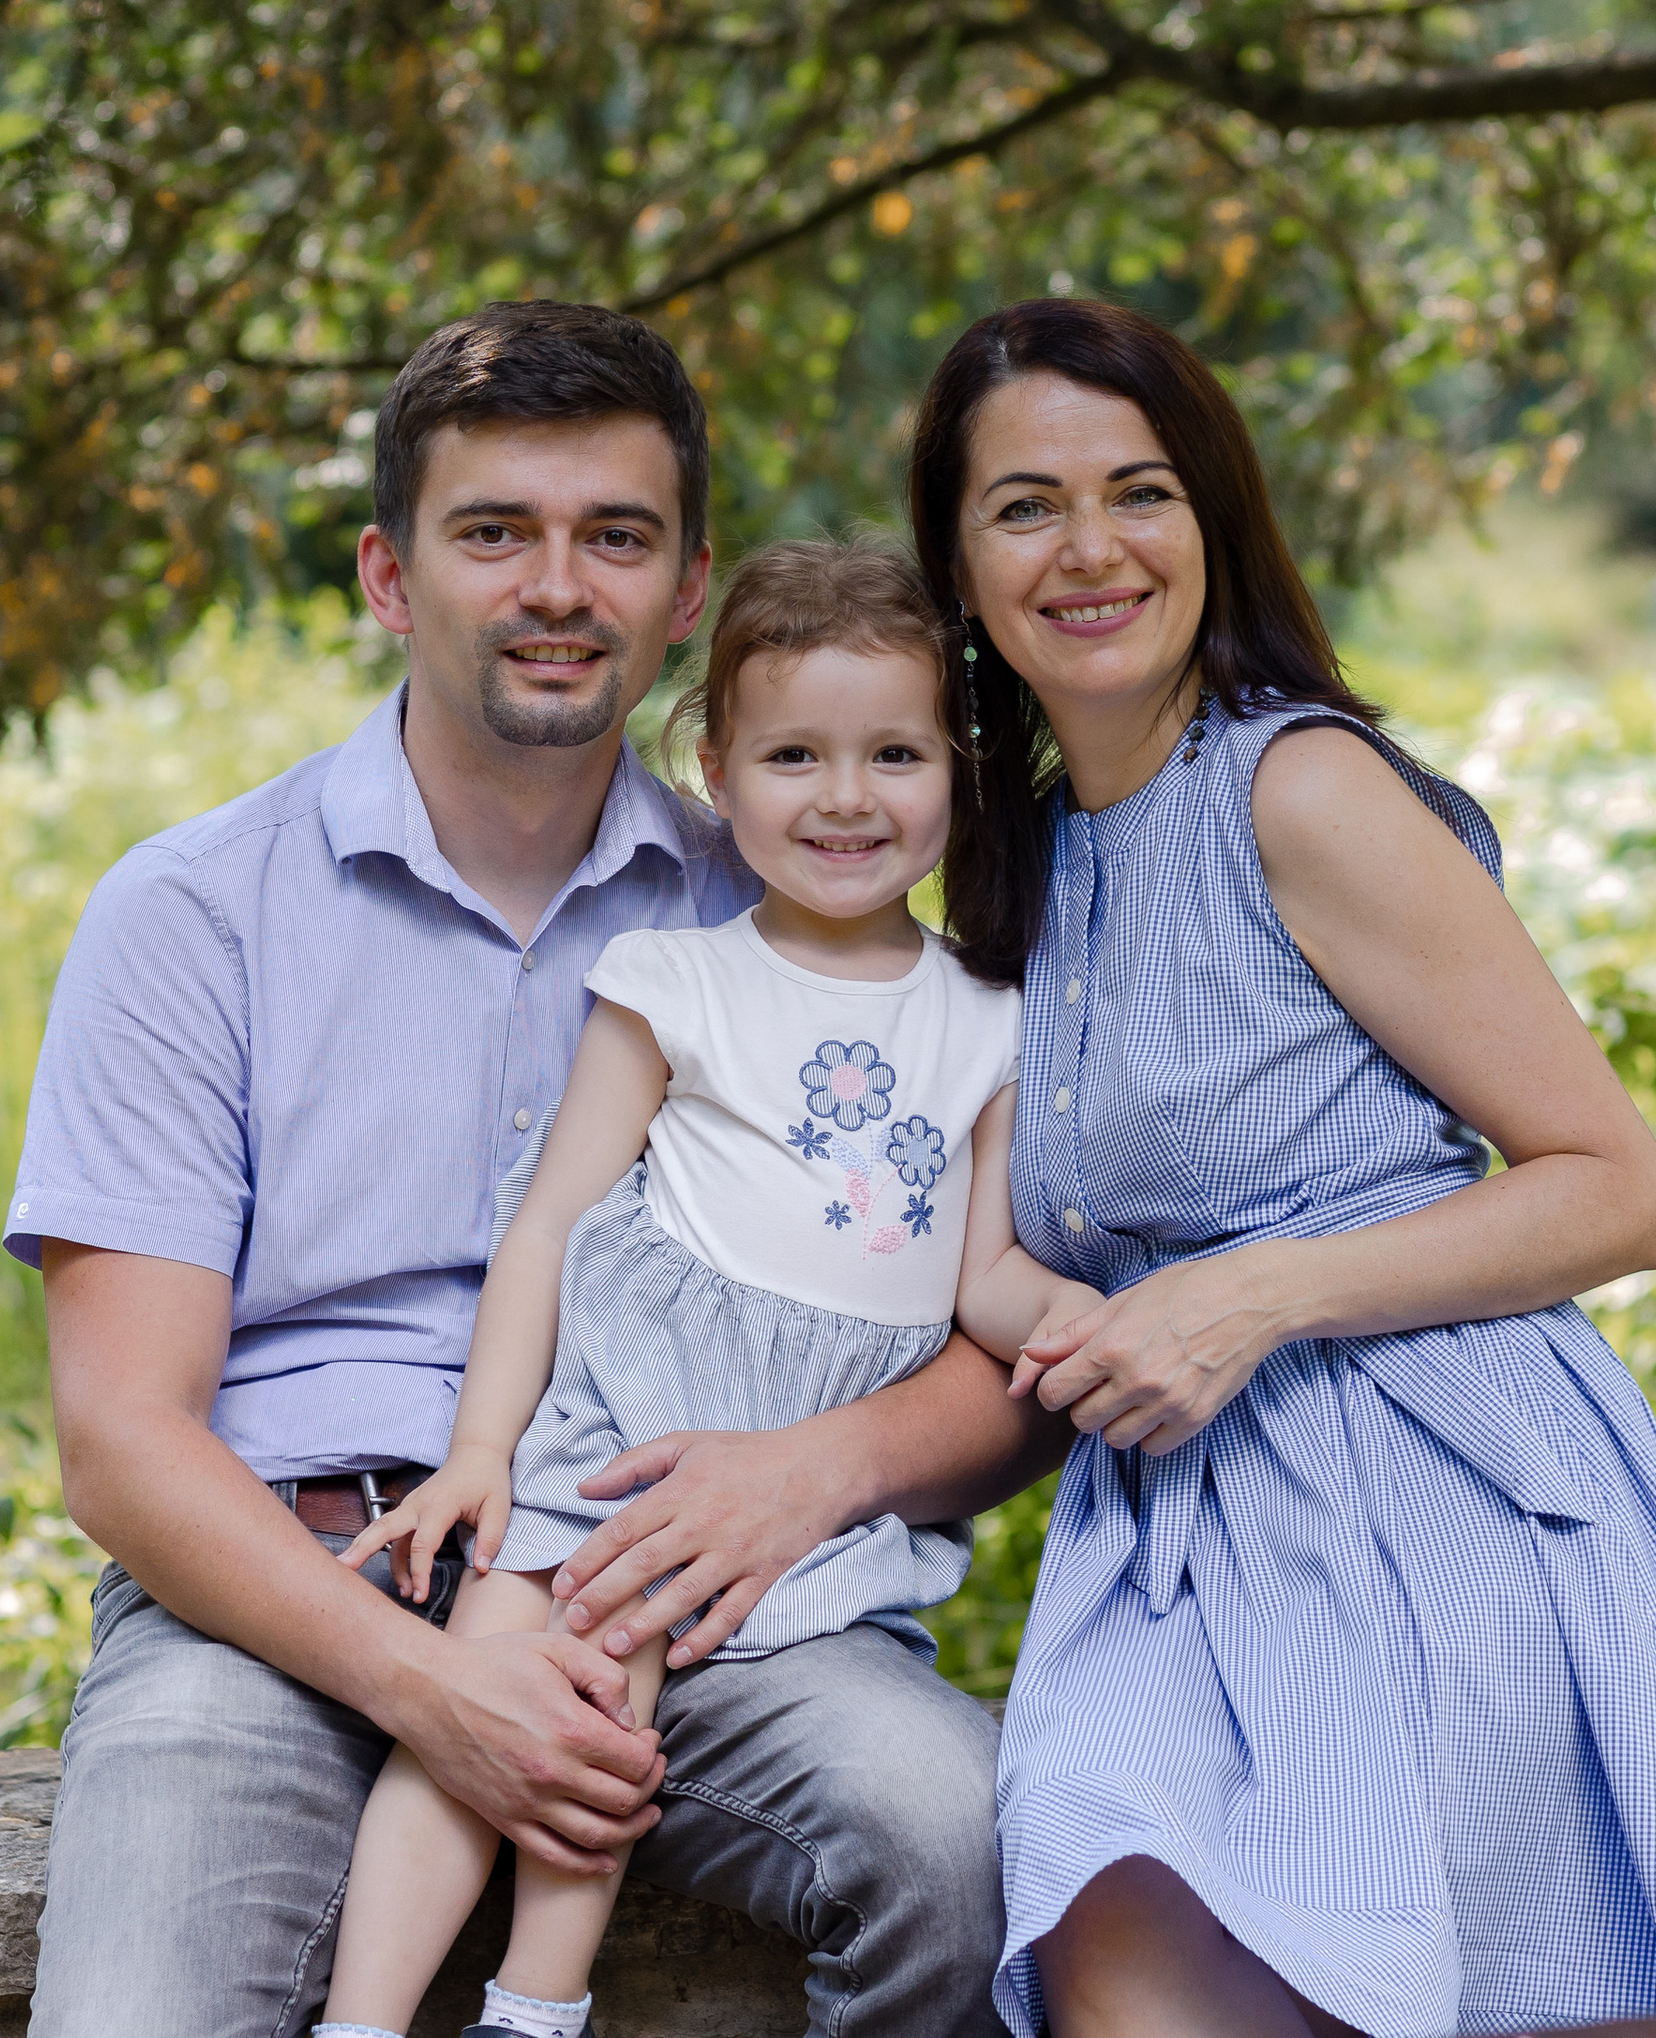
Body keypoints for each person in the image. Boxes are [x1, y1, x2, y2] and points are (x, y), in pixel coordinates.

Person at [5, 301, 1063, 2038]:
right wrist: (438, 1684)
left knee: (952, 1833)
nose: (558, 586)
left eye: (616, 538)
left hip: (697, 1597)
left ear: (690, 589)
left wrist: (806, 1475)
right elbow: (122, 1442)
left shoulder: (798, 909)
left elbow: (989, 1356)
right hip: (279, 1599)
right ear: (389, 576)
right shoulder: (192, 916)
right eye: (495, 532)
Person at [903, 296, 1656, 2038]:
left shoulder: (1300, 790)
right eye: (1024, 506)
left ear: (1213, 519)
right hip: (1179, 1536)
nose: (1091, 548)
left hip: (1434, 1476)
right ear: (958, 566)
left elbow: (1615, 1188)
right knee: (1110, 1924)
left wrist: (1245, 1299)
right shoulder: (1026, 866)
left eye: (1141, 491)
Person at [310, 536, 1099, 2038]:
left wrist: (1088, 1328)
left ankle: (536, 2011)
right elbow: (548, 1226)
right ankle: (383, 2022)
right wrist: (481, 1451)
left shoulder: (988, 1019)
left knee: (642, 1732)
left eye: (895, 754)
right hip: (626, 1437)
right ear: (716, 769)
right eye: (796, 755)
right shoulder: (677, 983)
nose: (848, 797)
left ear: (959, 773)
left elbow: (986, 1275)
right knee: (519, 1704)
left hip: (808, 1498)